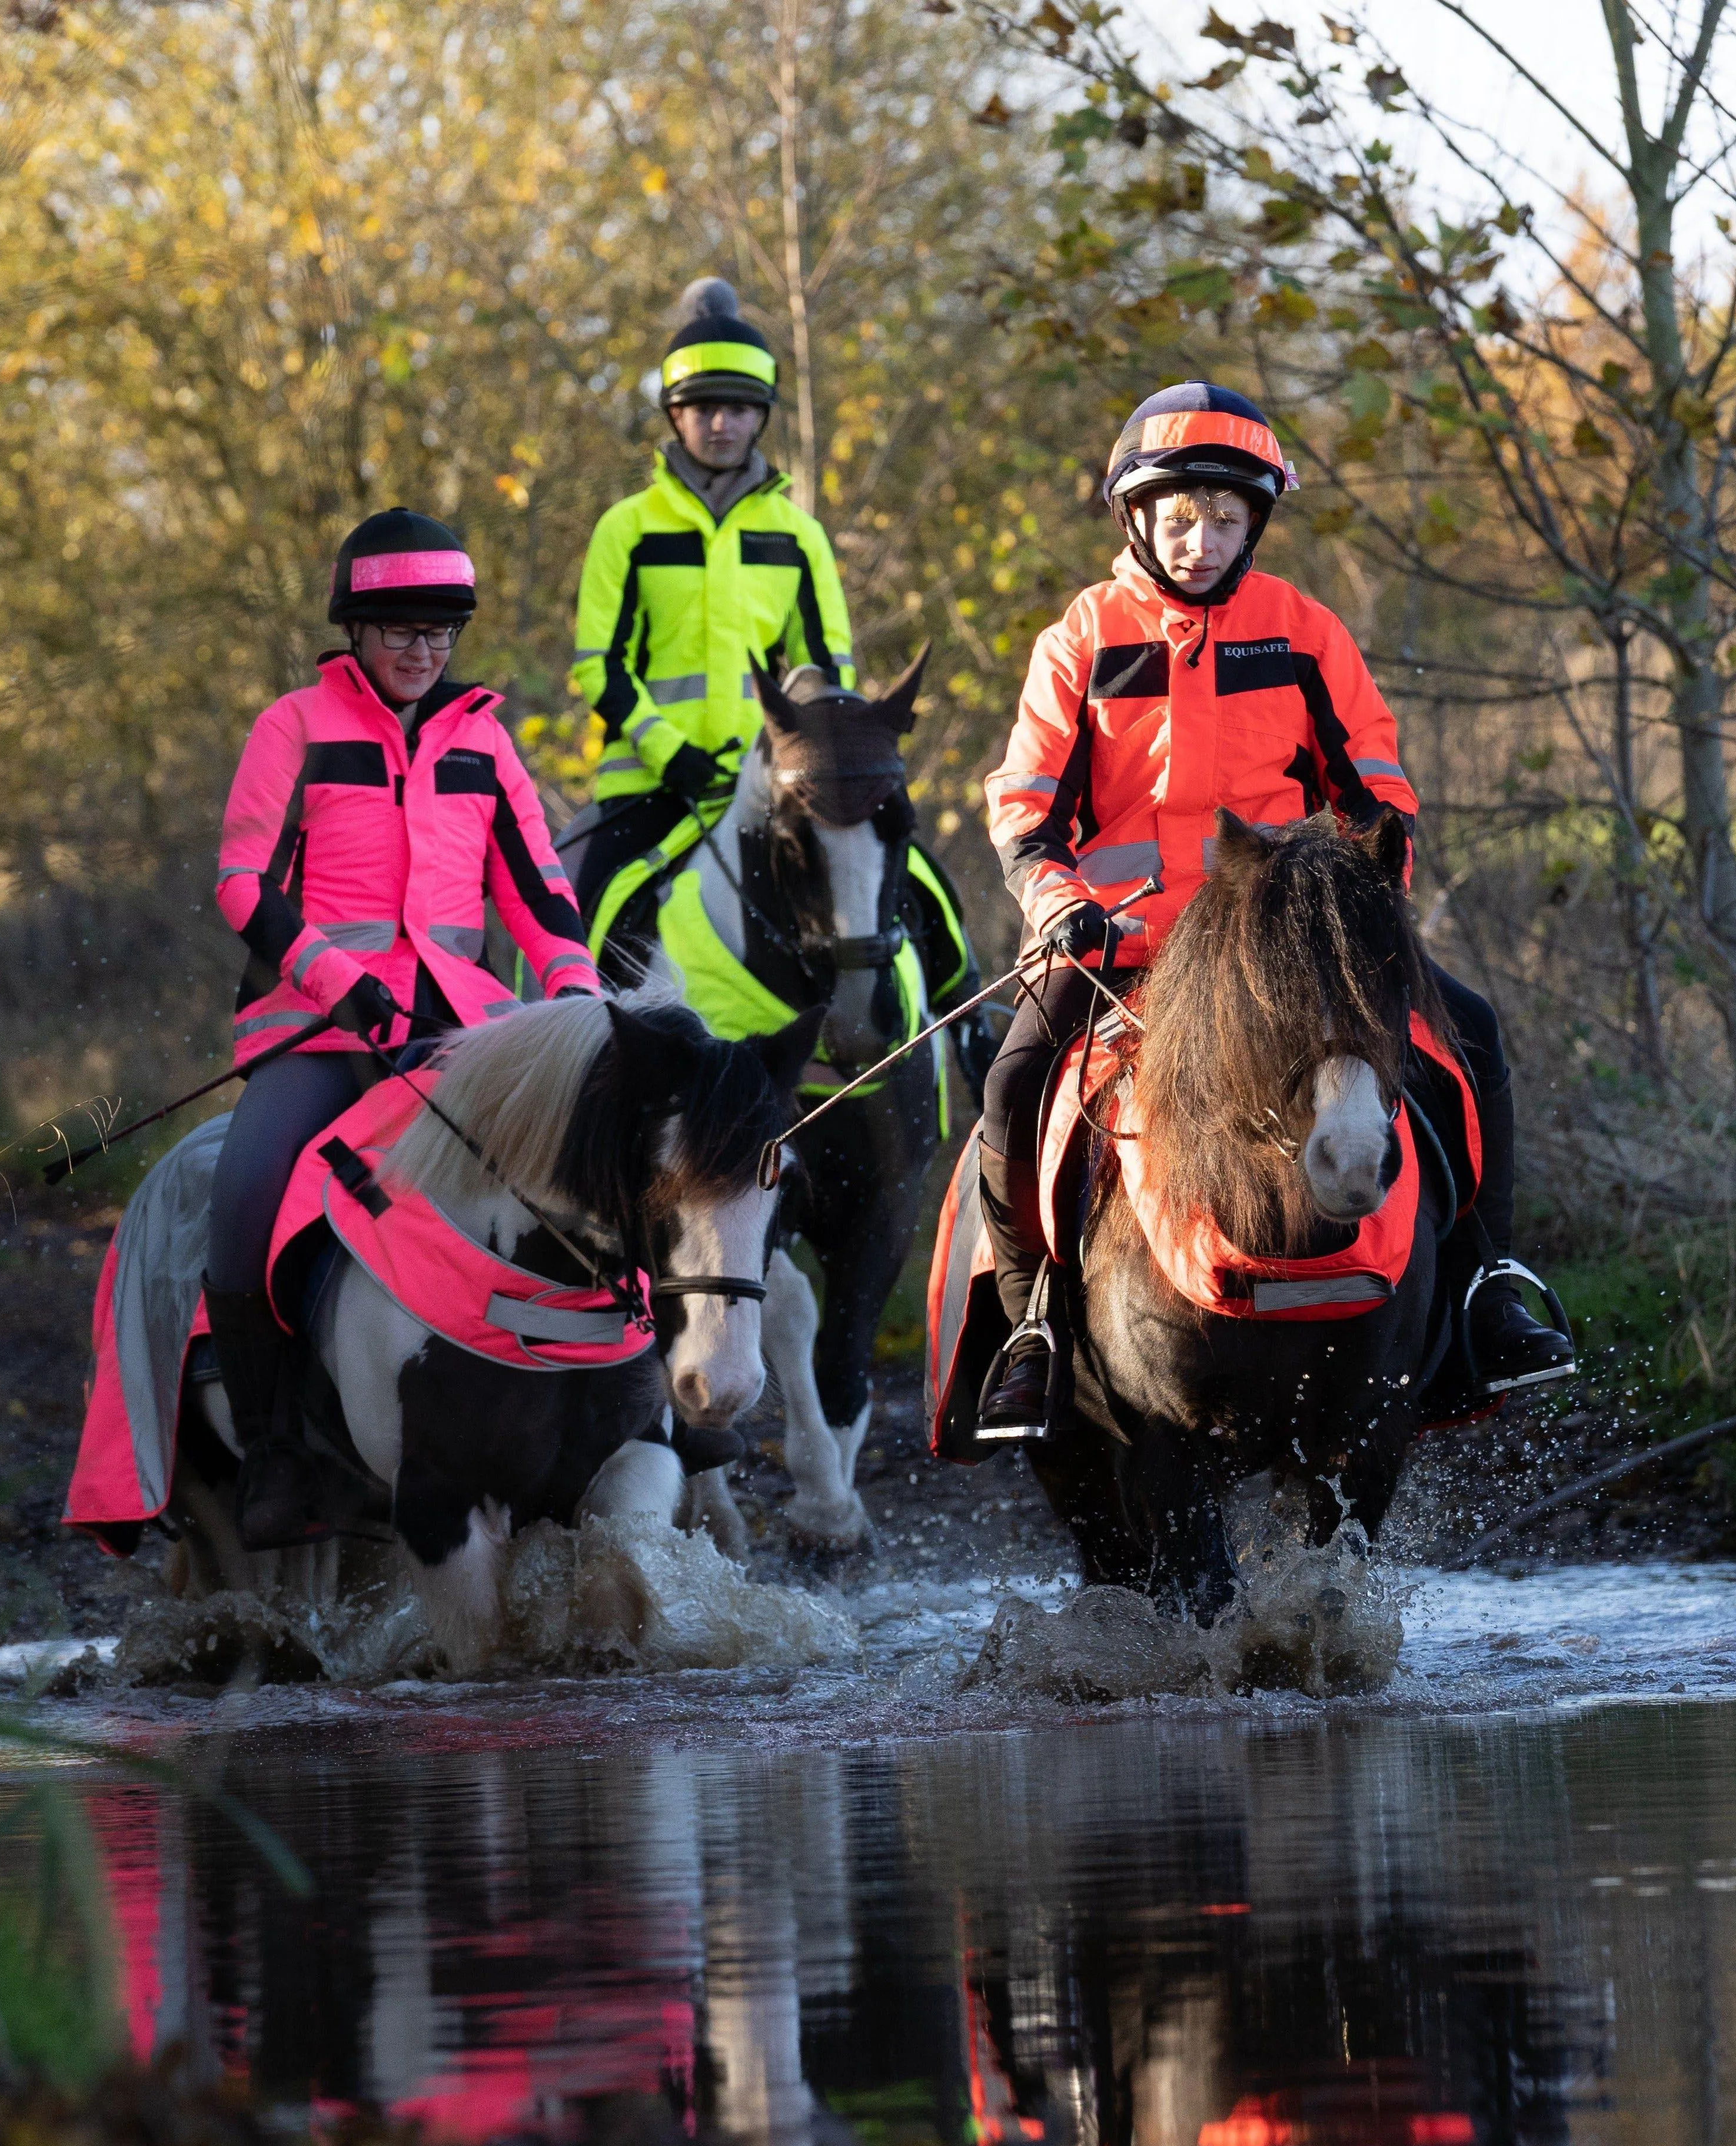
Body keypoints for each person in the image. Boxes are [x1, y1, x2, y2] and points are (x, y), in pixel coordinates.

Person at [975, 383, 1577, 1440]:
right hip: (1125, 943)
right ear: (1136, 520)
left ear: (1255, 523)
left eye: (1223, 519)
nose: (1199, 540)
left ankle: (1488, 1289)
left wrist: (1357, 896)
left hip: (1287, 947)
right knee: (1016, 1077)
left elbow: (1376, 786)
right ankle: (1031, 1326)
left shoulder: (1303, 630)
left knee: (1469, 1032)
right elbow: (1026, 808)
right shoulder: (1081, 637)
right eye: (1178, 519)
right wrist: (1058, 902)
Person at [206, 509, 601, 1548]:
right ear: (357, 632)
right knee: (245, 1203)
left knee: (592, 1172)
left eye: (440, 634)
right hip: (316, 1035)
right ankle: (274, 1457)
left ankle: (636, 1402)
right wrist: (340, 982)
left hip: (460, 1031)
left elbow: (539, 891)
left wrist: (577, 998)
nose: (422, 652)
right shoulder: (292, 727)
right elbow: (243, 884)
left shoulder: (483, 739)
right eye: (401, 633)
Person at [565, 277, 856, 959]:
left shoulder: (799, 535)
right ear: (674, 415)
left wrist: (797, 756)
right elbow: (598, 666)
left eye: (738, 408)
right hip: (645, 787)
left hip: (773, 789)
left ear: (762, 416)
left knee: (902, 883)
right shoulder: (627, 529)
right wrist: (671, 754)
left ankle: (959, 1021)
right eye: (702, 409)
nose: (720, 424)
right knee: (566, 915)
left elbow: (825, 667)